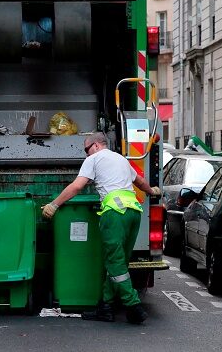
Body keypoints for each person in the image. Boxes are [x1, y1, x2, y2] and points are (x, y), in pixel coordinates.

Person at [42, 132, 161, 324]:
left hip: (114, 213)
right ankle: (106, 306)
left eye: (86, 150)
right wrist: (151, 191)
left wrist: (54, 205)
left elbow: (77, 186)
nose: (86, 155)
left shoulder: (94, 159)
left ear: (96, 145)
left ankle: (133, 306)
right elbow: (138, 181)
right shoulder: (121, 159)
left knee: (115, 264)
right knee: (117, 263)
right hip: (133, 213)